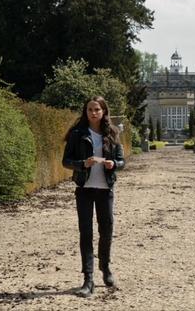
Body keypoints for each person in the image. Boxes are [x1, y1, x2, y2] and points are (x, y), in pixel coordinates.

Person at [62, 96, 125, 298]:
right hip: (85, 189)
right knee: (86, 233)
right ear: (85, 112)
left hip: (105, 189)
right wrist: (83, 164)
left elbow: (121, 160)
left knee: (106, 230)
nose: (93, 113)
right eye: (90, 109)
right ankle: (88, 279)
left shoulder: (113, 133)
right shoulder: (77, 134)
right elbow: (66, 161)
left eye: (97, 109)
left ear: (104, 111)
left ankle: (105, 269)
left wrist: (113, 164)